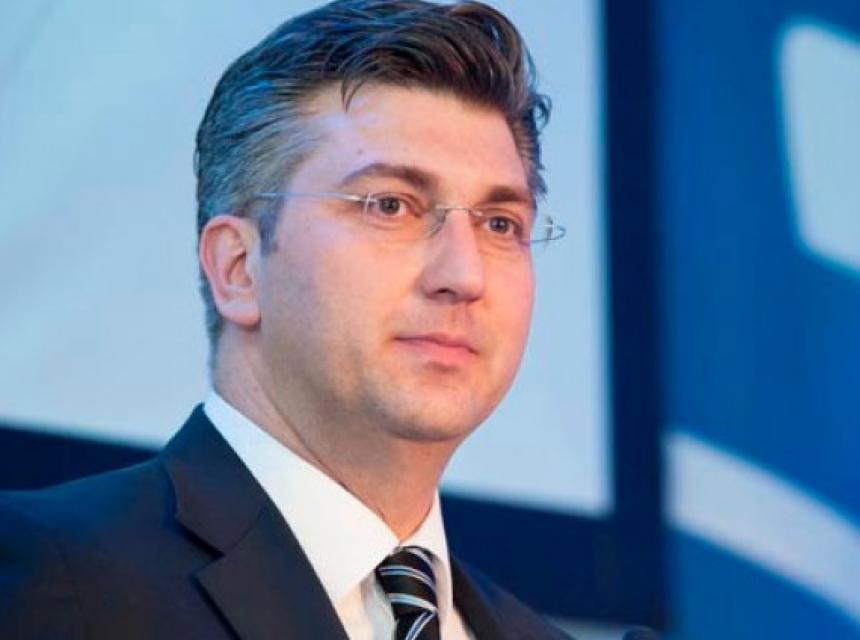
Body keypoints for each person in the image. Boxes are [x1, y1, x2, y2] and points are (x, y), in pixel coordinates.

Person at [0, 1, 571, 638]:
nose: (464, 275)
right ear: (238, 268)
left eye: (501, 224)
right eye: (390, 205)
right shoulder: (51, 573)